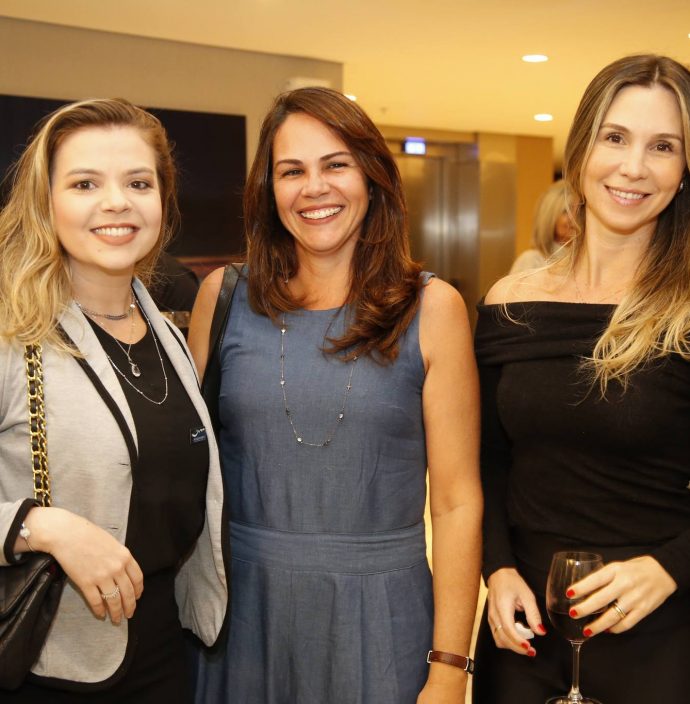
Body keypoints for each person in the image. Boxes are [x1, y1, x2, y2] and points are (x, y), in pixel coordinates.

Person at [188, 87, 482, 703]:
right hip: (242, 614)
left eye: (336, 165)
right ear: (269, 191)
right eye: (292, 171)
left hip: (381, 618)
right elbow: (189, 465)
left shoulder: (432, 309)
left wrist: (451, 666)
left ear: (372, 179)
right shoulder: (223, 298)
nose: (313, 188)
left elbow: (455, 503)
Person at [472, 54, 690, 704]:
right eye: (615, 137)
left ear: (684, 171)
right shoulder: (511, 299)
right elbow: (487, 459)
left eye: (663, 147)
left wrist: (671, 570)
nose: (633, 167)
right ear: (580, 149)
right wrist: (497, 568)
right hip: (526, 625)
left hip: (656, 627)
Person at [0, 98, 227, 702]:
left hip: (161, 651)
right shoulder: (10, 333)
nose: (116, 202)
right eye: (84, 183)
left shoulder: (169, 335)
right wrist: (39, 526)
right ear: (45, 202)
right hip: (42, 660)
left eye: (138, 182)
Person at [509, 179, 575, 274]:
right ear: (549, 217)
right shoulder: (532, 260)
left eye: (578, 211)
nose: (573, 219)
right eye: (565, 211)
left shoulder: (582, 262)